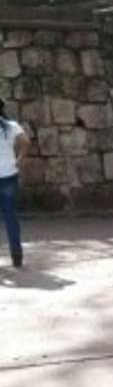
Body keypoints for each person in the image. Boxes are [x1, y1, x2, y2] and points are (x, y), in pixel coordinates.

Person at [0, 100, 29, 268]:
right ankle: (16, 256)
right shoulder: (11, 125)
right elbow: (25, 142)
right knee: (11, 217)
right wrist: (19, 160)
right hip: (8, 174)